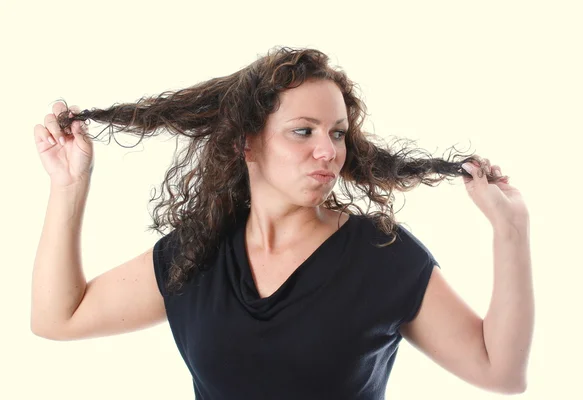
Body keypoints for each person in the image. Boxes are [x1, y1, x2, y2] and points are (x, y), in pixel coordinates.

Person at [31, 46, 533, 399]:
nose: (327, 151)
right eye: (302, 131)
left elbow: (501, 372)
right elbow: (58, 319)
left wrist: (511, 231)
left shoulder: (383, 257)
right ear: (246, 142)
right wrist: (69, 185)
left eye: (337, 134)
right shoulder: (197, 255)